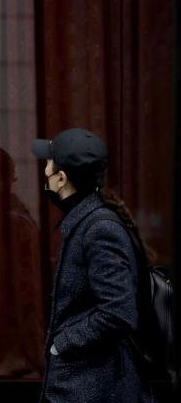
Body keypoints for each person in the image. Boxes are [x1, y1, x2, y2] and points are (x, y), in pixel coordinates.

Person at [32, 128, 156, 402]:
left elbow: (118, 313)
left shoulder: (98, 228)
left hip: (94, 387)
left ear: (61, 178)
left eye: (49, 164)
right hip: (87, 383)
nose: (45, 171)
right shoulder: (86, 221)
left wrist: (61, 345)